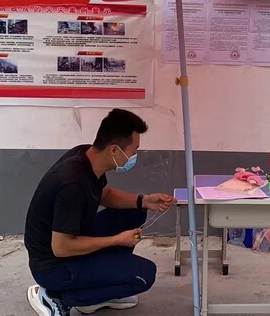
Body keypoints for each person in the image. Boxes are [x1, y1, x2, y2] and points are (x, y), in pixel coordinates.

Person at [25, 109, 176, 315]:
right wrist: (117, 240)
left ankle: (96, 290)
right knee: (144, 275)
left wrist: (144, 200)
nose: (134, 156)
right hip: (53, 266)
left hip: (72, 239)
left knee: (135, 212)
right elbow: (61, 247)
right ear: (114, 150)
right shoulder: (72, 184)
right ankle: (56, 295)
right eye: (133, 151)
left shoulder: (86, 156)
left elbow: (104, 194)